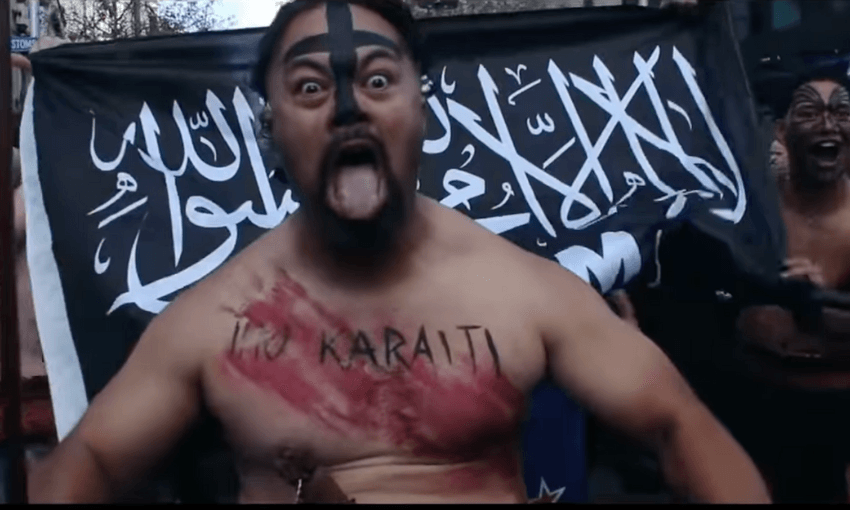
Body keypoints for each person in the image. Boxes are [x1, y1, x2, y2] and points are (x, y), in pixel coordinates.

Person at [28, 0, 770, 503]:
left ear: (423, 109)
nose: (349, 109)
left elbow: (678, 424)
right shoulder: (219, 316)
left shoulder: (519, 290)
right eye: (311, 87)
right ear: (271, 133)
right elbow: (91, 459)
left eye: (378, 80)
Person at [734, 71, 850, 503]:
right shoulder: (752, 213)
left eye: (842, 112)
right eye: (809, 112)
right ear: (782, 130)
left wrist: (819, 309)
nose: (827, 124)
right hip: (755, 408)